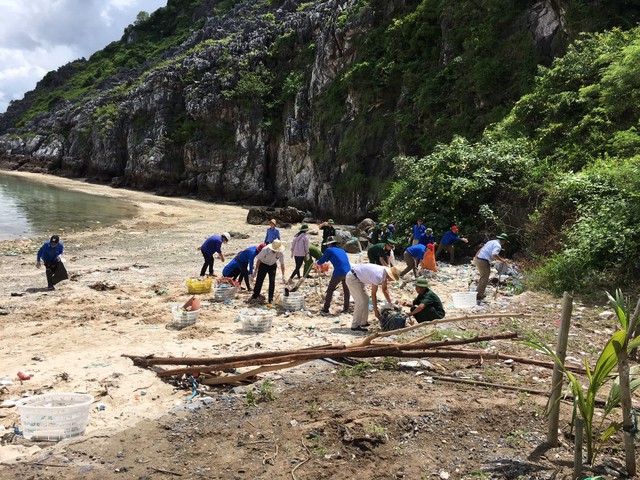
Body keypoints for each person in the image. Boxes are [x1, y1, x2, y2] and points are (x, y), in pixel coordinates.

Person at [345, 264, 401, 331]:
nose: (392, 280)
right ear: (390, 275)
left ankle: (363, 322)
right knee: (360, 301)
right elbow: (373, 295)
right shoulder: (378, 275)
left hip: (359, 278)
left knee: (366, 298)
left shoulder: (384, 272)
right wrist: (376, 311)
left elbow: (384, 289)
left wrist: (390, 303)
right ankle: (355, 325)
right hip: (352, 278)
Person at [316, 236, 351, 314]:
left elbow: (322, 260)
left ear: (329, 244)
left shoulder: (329, 250)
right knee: (346, 290)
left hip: (339, 272)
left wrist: (317, 263)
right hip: (348, 272)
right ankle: (346, 308)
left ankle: (326, 308)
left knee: (330, 289)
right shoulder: (342, 250)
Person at [475, 233, 509, 303]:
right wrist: (502, 260)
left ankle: (479, 293)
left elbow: (481, 248)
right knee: (484, 278)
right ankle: (478, 295)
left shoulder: (491, 241)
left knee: (483, 277)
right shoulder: (498, 245)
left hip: (480, 259)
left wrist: (476, 256)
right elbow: (494, 254)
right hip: (483, 261)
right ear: (503, 240)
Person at [251, 239, 286, 304]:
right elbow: (259, 260)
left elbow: (282, 264)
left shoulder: (281, 253)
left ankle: (270, 299)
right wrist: (255, 270)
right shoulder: (265, 249)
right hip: (263, 265)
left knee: (272, 282)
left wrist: (283, 275)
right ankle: (255, 295)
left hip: (272, 266)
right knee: (259, 280)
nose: (275, 251)